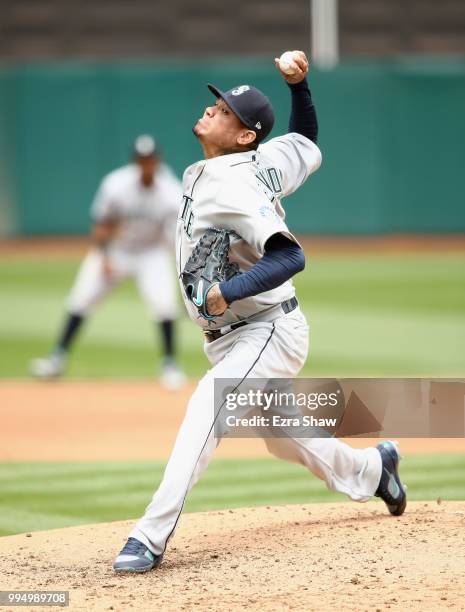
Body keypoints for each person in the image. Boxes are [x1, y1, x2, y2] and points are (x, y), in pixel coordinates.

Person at [113, 52, 406, 573]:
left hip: (266, 330)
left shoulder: (231, 184)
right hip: (241, 333)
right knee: (284, 439)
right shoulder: (262, 159)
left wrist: (230, 290)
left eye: (225, 111)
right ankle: (374, 470)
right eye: (217, 103)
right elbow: (307, 142)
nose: (213, 109)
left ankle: (149, 536)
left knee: (208, 406)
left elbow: (291, 255)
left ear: (245, 135)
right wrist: (299, 88)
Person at [30, 135, 186, 389]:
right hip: (117, 249)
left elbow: (175, 234)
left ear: (158, 161)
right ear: (135, 161)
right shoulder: (116, 184)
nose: (146, 164)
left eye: (150, 159)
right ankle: (56, 360)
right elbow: (102, 224)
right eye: (142, 160)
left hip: (151, 253)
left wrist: (176, 265)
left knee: (164, 305)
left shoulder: (171, 190)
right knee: (81, 298)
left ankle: (169, 365)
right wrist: (103, 257)